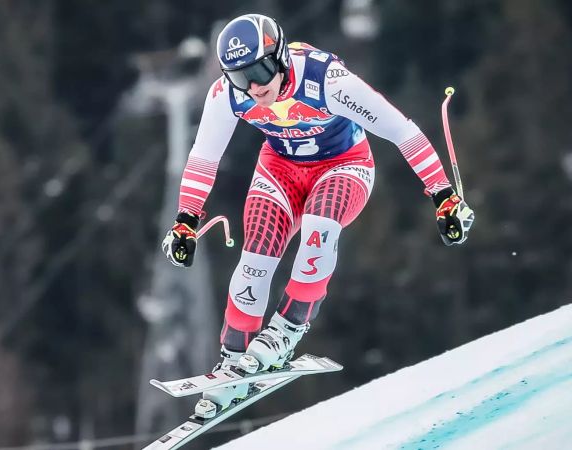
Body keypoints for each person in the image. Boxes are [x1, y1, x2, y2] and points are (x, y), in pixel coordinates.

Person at [161, 14, 475, 419]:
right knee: (255, 258)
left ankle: (288, 329)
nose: (254, 88)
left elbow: (402, 130)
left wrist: (443, 196)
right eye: (241, 78)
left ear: (278, 57)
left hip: (343, 166)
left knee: (318, 230)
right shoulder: (227, 94)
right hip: (280, 169)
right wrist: (185, 220)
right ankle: (232, 362)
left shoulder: (327, 80)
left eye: (258, 71)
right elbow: (204, 158)